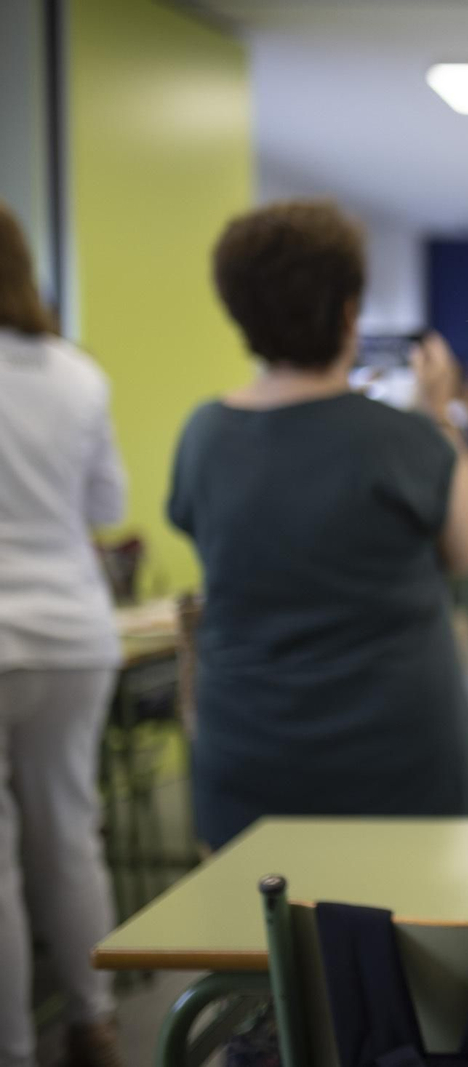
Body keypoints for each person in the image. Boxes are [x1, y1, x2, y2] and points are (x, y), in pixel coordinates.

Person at [168, 199, 468, 849]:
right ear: (349, 310)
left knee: (263, 930)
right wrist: (436, 414)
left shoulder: (204, 434)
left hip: (249, 743)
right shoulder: (404, 438)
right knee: (406, 928)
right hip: (397, 750)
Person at [0, 202, 125, 1067]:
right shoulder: (76, 375)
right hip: (75, 634)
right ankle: (94, 1019)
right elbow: (108, 509)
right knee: (67, 833)